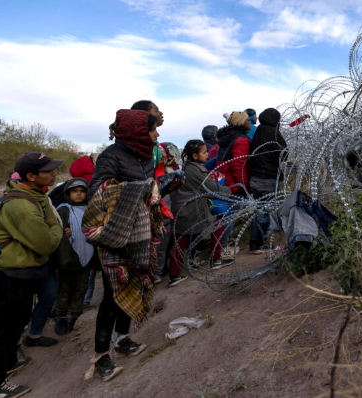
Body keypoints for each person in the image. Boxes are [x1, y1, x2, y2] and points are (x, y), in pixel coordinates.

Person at [84, 109, 159, 382]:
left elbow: (146, 188)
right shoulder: (111, 156)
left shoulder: (143, 155)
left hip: (139, 235)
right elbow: (96, 194)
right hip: (116, 237)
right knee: (111, 297)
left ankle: (123, 339)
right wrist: (136, 190)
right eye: (152, 130)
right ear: (139, 132)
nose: (156, 134)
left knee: (135, 282)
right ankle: (101, 356)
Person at [0, 152, 63, 398]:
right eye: (48, 170)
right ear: (31, 176)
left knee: (14, 324)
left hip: (23, 273)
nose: (54, 173)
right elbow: (45, 244)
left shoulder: (36, 195)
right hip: (12, 276)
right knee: (6, 327)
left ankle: (8, 363)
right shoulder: (21, 205)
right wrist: (55, 227)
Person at [171, 140, 232, 279]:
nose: (207, 155)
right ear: (195, 156)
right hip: (189, 209)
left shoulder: (190, 167)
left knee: (183, 239)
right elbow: (210, 188)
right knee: (217, 225)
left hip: (186, 208)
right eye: (204, 152)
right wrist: (230, 190)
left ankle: (175, 274)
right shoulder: (195, 171)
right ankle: (215, 260)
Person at [52, 178, 98, 336]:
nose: (79, 194)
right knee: (64, 289)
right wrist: (66, 234)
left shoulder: (90, 209)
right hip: (67, 257)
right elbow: (56, 233)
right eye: (74, 191)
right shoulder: (63, 210)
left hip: (85, 256)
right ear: (68, 193)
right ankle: (62, 317)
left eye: (82, 191)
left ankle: (76, 315)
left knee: (81, 288)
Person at [248, 108, 287, 253]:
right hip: (269, 177)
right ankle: (262, 243)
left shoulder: (258, 132)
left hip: (256, 177)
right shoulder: (273, 133)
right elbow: (284, 154)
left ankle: (255, 243)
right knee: (268, 211)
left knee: (259, 210)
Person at [216, 112, 252, 250]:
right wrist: (244, 185)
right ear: (241, 122)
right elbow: (239, 165)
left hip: (224, 181)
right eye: (247, 120)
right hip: (235, 184)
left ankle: (220, 246)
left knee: (225, 216)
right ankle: (221, 249)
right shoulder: (241, 140)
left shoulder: (226, 138)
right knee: (229, 217)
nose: (249, 122)